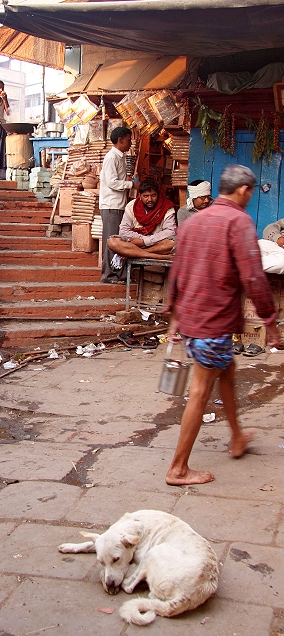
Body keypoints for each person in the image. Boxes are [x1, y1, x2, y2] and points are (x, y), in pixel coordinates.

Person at [165, 164, 280, 486]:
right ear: (244, 191)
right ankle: (178, 468)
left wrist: (173, 312)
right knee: (200, 391)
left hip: (194, 317)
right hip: (212, 322)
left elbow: (177, 270)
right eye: (251, 192)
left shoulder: (194, 221)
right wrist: (270, 321)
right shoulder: (238, 221)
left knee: (226, 373)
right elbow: (254, 277)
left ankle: (237, 436)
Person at [99, 126, 136, 283]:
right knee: (111, 240)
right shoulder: (111, 158)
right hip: (111, 205)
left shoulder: (119, 157)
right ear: (120, 140)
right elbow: (112, 182)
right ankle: (108, 275)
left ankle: (118, 272)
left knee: (118, 240)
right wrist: (131, 185)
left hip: (118, 204)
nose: (130, 144)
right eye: (128, 140)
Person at [107, 177, 176, 262]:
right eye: (146, 196)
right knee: (112, 242)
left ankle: (138, 254)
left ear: (158, 194)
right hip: (135, 244)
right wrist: (141, 239)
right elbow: (124, 231)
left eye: (153, 195)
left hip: (157, 244)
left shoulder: (167, 207)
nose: (150, 199)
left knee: (174, 242)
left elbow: (170, 231)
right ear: (140, 196)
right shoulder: (131, 206)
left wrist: (145, 241)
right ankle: (157, 256)